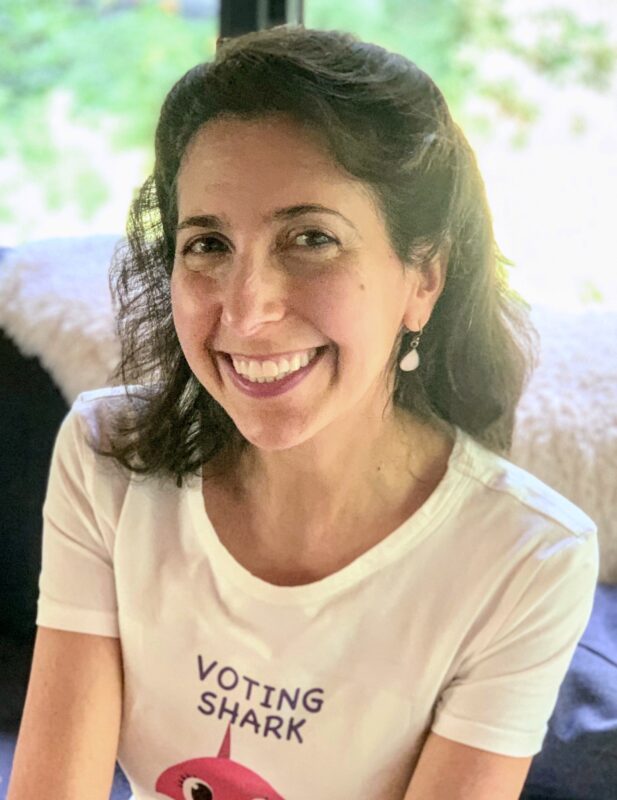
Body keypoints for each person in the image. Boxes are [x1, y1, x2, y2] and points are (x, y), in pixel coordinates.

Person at [9, 25, 599, 800]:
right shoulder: (104, 454)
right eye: (208, 243)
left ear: (423, 279)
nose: (247, 312)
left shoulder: (527, 560)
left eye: (310, 238)